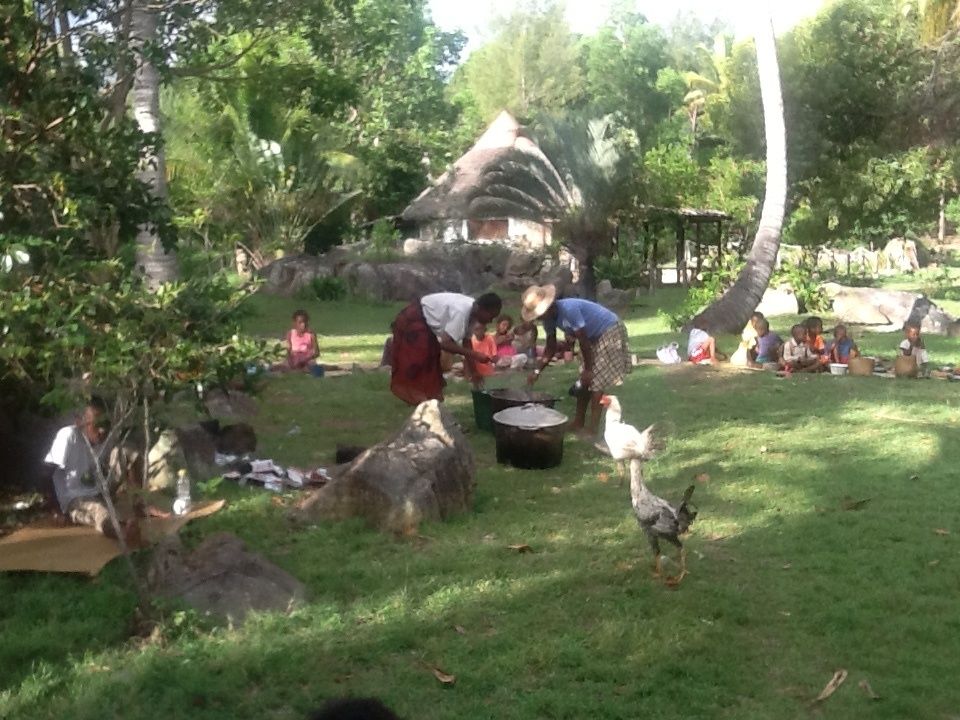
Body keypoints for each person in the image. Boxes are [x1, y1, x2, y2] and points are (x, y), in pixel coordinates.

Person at [43, 398, 163, 541]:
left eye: (105, 424)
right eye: (97, 425)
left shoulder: (104, 438)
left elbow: (120, 459)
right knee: (99, 510)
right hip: (77, 498)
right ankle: (122, 533)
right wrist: (54, 509)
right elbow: (47, 470)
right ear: (80, 423)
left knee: (127, 452)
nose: (102, 430)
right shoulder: (68, 436)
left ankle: (140, 505)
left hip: (101, 489)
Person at [523, 284, 631, 437]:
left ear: (548, 306)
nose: (538, 318)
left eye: (538, 314)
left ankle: (592, 429)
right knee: (583, 382)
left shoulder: (569, 310)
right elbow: (550, 347)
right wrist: (537, 371)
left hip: (609, 330)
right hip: (591, 337)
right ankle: (578, 422)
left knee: (596, 381)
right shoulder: (549, 320)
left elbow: (583, 340)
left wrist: (588, 369)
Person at [389, 292, 502, 405]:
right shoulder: (461, 311)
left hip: (427, 326)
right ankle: (419, 400)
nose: (490, 321)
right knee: (419, 362)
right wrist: (475, 354)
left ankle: (429, 400)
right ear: (481, 309)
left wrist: (474, 372)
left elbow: (466, 343)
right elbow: (446, 344)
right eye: (491, 316)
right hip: (415, 319)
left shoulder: (473, 314)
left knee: (431, 362)